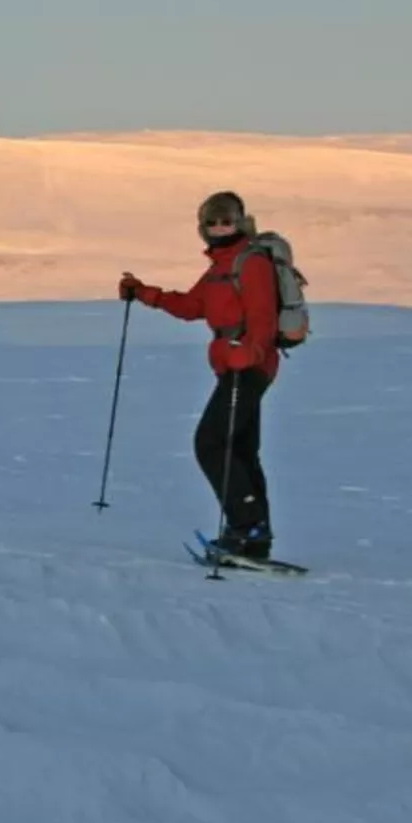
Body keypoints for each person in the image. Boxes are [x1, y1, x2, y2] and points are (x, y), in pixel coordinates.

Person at [118, 190, 281, 559]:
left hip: (248, 365)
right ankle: (253, 537)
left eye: (227, 220)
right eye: (213, 221)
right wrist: (144, 293)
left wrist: (250, 353)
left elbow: (263, 315)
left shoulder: (250, 262)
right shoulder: (221, 266)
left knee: (210, 443)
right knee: (239, 448)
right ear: (202, 227)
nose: (220, 227)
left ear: (240, 221)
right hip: (233, 364)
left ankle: (247, 527)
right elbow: (193, 306)